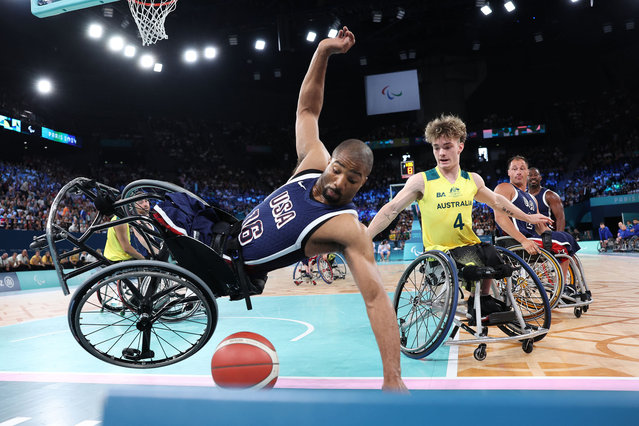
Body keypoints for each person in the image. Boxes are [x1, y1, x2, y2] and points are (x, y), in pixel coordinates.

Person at [154, 28, 406, 392]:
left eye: (352, 179)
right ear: (331, 160)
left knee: (159, 219)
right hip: (224, 233)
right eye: (338, 169)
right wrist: (323, 51)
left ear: (362, 183)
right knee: (163, 202)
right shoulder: (313, 162)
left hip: (230, 267)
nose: (338, 182)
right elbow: (307, 109)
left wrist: (392, 377)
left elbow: (375, 299)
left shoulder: (345, 227)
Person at [366, 115, 552, 320]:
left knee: (492, 255)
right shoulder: (422, 181)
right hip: (441, 253)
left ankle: (480, 300)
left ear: (460, 147)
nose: (441, 153)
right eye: (436, 147)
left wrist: (527, 217)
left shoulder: (471, 180)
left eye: (447, 146)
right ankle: (478, 301)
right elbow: (391, 209)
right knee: (474, 265)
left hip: (469, 247)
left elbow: (497, 201)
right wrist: (365, 236)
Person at [494, 156, 580, 281]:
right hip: (513, 241)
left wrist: (549, 233)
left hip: (531, 239)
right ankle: (564, 288)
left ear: (527, 173)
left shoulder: (532, 198)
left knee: (565, 238)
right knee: (563, 242)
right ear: (509, 172)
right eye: (514, 169)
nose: (518, 172)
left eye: (522, 168)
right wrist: (523, 240)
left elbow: (539, 227)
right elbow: (499, 218)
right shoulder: (504, 188)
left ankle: (569, 286)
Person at [103, 195, 151, 261]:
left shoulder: (117, 219)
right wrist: (144, 259)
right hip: (119, 261)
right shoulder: (120, 221)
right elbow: (127, 249)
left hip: (114, 259)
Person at [528, 167, 565, 231]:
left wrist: (559, 237)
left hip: (545, 235)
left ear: (540, 178)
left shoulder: (550, 195)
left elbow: (560, 218)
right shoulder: (522, 195)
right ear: (526, 178)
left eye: (536, 175)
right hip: (528, 236)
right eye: (530, 175)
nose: (533, 177)